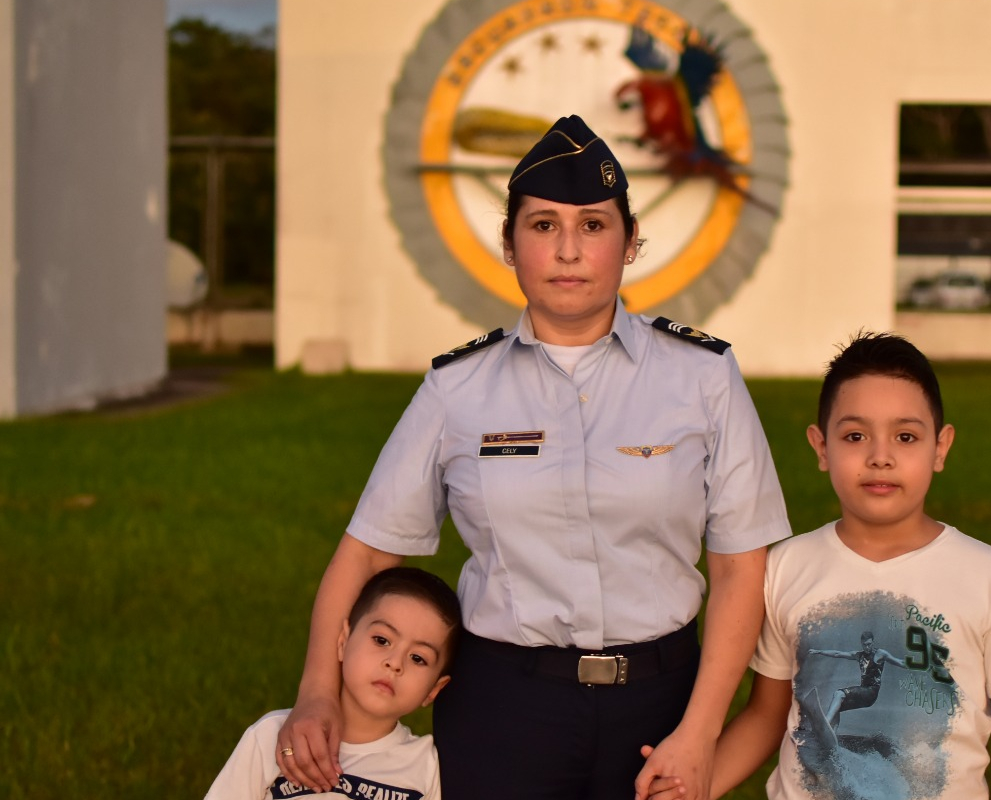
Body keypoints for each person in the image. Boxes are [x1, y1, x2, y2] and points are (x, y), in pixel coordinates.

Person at [275, 115, 791, 800]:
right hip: (503, 711)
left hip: (661, 706)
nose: (569, 250)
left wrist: (699, 732)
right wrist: (317, 692)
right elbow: (367, 555)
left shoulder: (702, 376)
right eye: (544, 226)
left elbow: (738, 569)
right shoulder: (457, 389)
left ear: (631, 241)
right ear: (511, 245)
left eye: (594, 226)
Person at [652, 332, 991, 800]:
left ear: (941, 447)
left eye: (905, 436)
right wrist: (693, 788)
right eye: (854, 436)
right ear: (821, 447)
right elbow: (767, 716)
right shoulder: (787, 568)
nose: (880, 457)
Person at [206, 567, 460, 800]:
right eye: (382, 640)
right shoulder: (272, 736)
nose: (395, 663)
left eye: (418, 658)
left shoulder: (424, 765)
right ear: (343, 642)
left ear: (434, 690)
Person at [808, 630, 908, 728]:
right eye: (864, 645)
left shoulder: (880, 653)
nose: (867, 647)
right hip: (864, 695)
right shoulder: (859, 655)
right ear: (861, 644)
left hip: (871, 692)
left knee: (838, 693)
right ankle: (831, 738)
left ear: (873, 642)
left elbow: (900, 662)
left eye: (869, 644)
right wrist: (819, 651)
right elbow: (837, 654)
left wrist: (918, 664)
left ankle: (825, 724)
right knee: (836, 706)